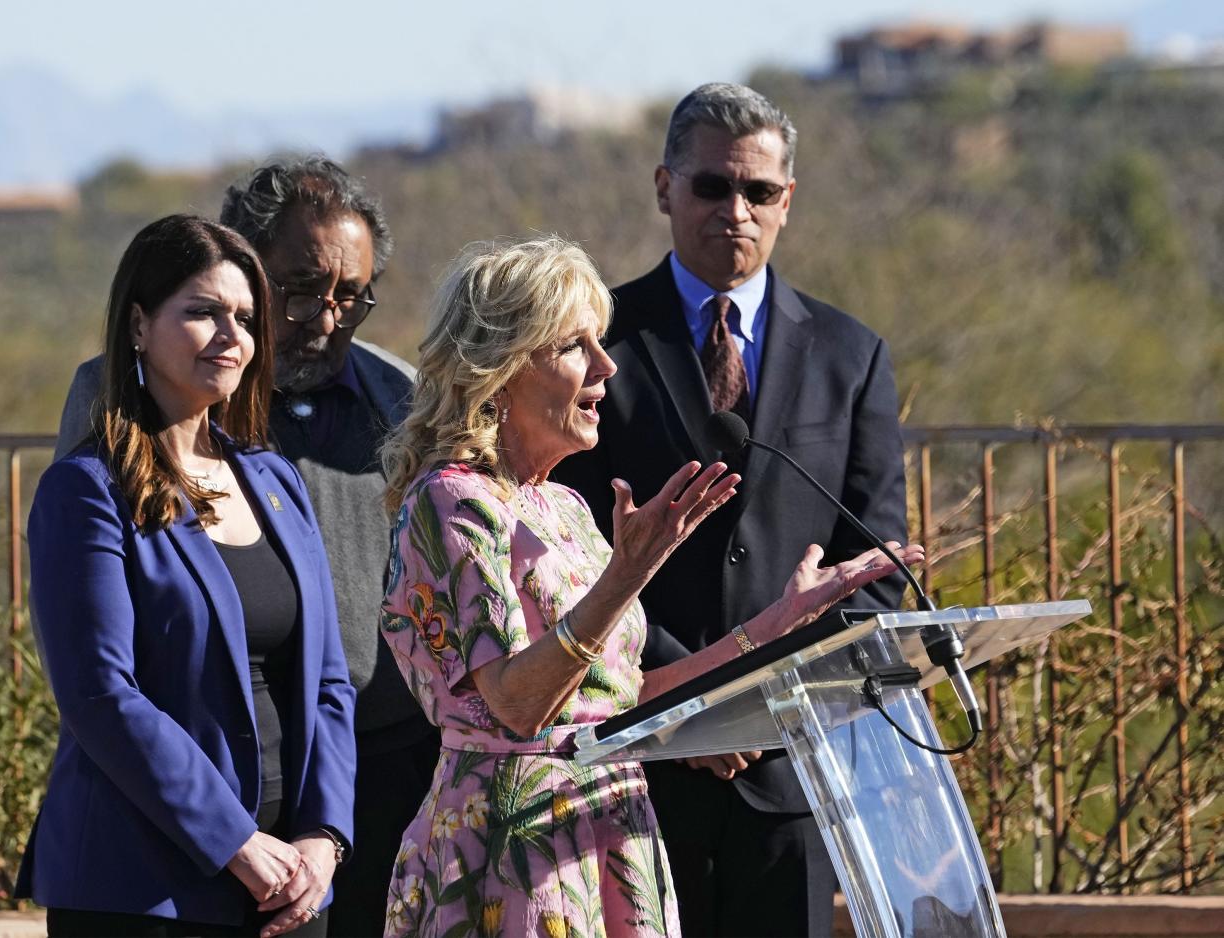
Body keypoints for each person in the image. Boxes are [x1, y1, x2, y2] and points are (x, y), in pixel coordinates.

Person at [376, 236, 921, 937]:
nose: (606, 366)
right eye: (575, 347)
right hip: (513, 853)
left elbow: (620, 702)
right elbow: (518, 707)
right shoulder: (451, 503)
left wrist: (774, 627)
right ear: (502, 367)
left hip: (612, 828)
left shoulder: (563, 507)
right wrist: (629, 573)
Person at [554, 83, 911, 936]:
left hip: (790, 772)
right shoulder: (593, 339)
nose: (735, 211)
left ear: (787, 201)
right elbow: (563, 542)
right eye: (713, 186)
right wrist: (691, 707)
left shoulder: (851, 354)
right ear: (665, 187)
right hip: (634, 763)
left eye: (758, 192)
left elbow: (877, 563)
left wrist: (764, 699)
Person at [53, 158, 439, 937]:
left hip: (362, 779)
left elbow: (334, 663)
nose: (324, 317)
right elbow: (96, 675)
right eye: (298, 290)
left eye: (350, 297)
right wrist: (235, 838)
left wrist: (325, 835)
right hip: (177, 808)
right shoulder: (108, 425)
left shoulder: (398, 401)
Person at [18, 214, 355, 937]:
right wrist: (235, 843)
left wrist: (324, 839)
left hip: (290, 886)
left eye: (243, 317)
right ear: (138, 326)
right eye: (202, 312)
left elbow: (327, 679)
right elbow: (101, 694)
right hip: (144, 890)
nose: (231, 335)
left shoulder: (274, 480)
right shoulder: (86, 490)